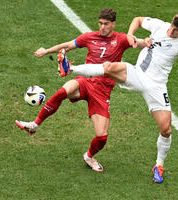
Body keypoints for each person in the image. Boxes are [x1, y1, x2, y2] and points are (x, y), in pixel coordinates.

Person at [65, 11, 178, 182]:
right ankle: (70, 69)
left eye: (177, 30)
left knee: (166, 130)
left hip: (156, 86)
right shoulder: (159, 25)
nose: (172, 32)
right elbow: (137, 19)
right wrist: (130, 35)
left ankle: (158, 165)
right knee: (109, 67)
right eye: (172, 27)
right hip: (137, 73)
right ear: (171, 22)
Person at [15, 8, 147, 172]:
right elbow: (68, 46)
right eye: (100, 23)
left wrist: (146, 41)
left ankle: (89, 157)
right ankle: (34, 125)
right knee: (63, 91)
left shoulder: (120, 39)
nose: (102, 27)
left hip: (102, 91)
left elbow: (139, 42)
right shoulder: (89, 37)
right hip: (85, 81)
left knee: (102, 137)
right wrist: (46, 51)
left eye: (106, 24)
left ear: (113, 24)